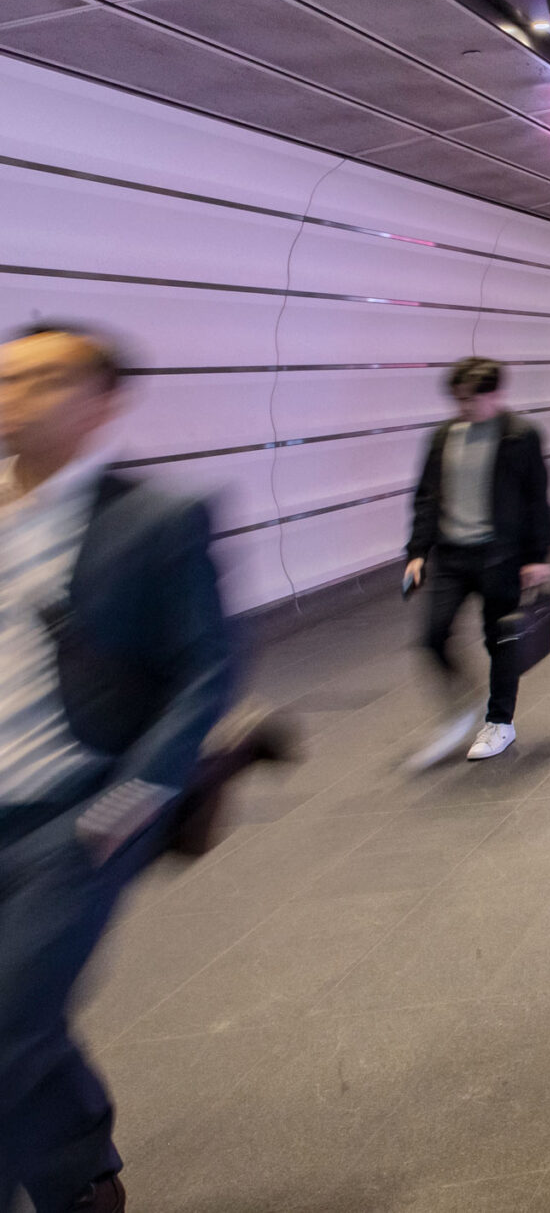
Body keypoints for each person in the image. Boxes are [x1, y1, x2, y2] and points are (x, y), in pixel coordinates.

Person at [0, 326, 236, 1213]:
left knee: (5, 1025)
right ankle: (82, 1179)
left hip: (77, 814)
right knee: (20, 1011)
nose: (13, 394)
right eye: (5, 377)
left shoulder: (156, 519)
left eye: (41, 379)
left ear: (101, 402)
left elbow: (206, 667)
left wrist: (133, 796)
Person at [403, 357, 550, 765]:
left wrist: (538, 556)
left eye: (471, 399)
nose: (464, 407)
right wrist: (417, 553)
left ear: (495, 394)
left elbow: (537, 501)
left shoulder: (520, 436)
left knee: (500, 640)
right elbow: (426, 498)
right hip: (451, 557)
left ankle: (500, 721)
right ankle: (463, 704)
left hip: (499, 557)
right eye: (459, 399)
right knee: (432, 636)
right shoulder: (442, 437)